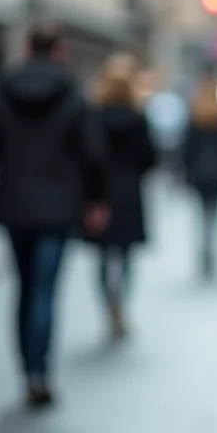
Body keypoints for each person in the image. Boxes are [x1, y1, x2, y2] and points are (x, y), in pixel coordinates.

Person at [0, 21, 108, 409]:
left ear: (27, 49)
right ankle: (40, 372)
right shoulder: (72, 93)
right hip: (59, 206)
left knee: (25, 287)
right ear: (59, 51)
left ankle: (27, 371)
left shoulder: (1, 89)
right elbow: (92, 152)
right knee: (45, 289)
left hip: (14, 203)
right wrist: (97, 199)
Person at [90, 53, 156, 340]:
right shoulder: (138, 119)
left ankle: (108, 305)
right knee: (126, 256)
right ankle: (122, 304)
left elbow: (87, 156)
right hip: (129, 194)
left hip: (101, 195)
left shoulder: (94, 118)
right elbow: (150, 157)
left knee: (102, 256)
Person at [182, 73, 217, 281]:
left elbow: (187, 150)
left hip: (199, 175)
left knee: (201, 216)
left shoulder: (194, 118)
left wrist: (186, 171)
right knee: (215, 214)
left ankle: (204, 250)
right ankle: (212, 250)